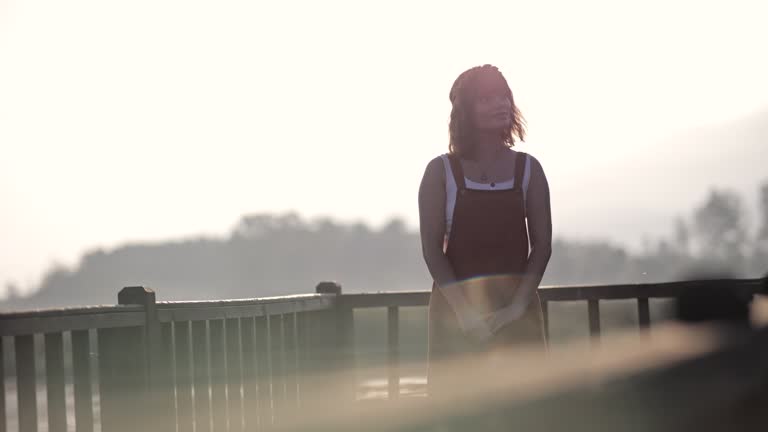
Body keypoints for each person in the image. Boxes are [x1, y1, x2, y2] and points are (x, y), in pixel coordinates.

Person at [418, 64, 552, 396]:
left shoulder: (528, 169)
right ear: (465, 111)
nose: (500, 104)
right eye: (486, 98)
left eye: (503, 95)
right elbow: (432, 250)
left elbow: (543, 245)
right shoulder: (440, 172)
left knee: (525, 410)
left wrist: (518, 307)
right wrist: (464, 313)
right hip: (457, 316)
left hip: (518, 312)